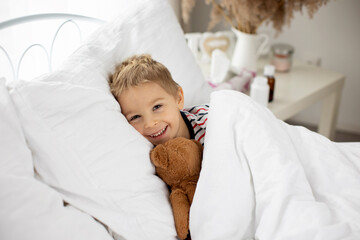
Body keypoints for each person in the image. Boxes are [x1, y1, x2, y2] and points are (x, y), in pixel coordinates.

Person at [109, 54, 208, 146]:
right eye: (135, 117)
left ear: (178, 98)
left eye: (157, 107)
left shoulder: (210, 122)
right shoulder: (146, 152)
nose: (150, 123)